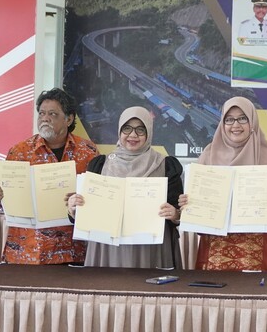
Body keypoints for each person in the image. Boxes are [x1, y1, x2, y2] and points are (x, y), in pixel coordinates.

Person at [178, 97, 267, 271]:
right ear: (222, 123)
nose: (235, 125)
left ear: (252, 121)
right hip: (215, 245)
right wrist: (189, 203)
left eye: (242, 118)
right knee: (213, 288)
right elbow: (197, 201)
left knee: (254, 288)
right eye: (229, 119)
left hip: (256, 246)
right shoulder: (208, 154)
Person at [0, 88, 99, 264]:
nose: (45, 118)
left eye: (52, 114)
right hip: (29, 251)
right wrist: (0, 197)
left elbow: (96, 199)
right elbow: (8, 204)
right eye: (41, 113)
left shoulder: (88, 152)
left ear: (69, 119)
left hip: (72, 250)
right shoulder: (20, 151)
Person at [67, 106, 183, 268]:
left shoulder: (166, 165)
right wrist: (74, 210)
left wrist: (175, 214)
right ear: (119, 131)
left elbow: (178, 212)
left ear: (149, 132)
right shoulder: (100, 164)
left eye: (140, 130)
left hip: (150, 250)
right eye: (127, 129)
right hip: (108, 249)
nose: (133, 135)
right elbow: (87, 213)